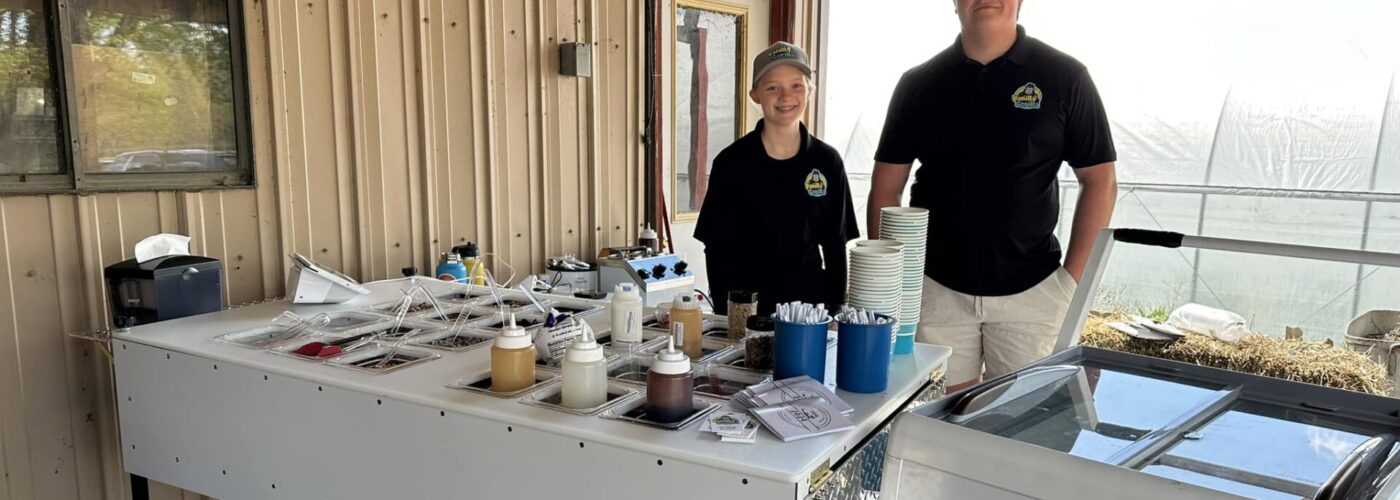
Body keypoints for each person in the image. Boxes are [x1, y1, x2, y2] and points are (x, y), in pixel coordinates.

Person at [867, 0, 1118, 391]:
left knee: (1023, 418)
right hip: (937, 291)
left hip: (1034, 293)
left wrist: (1073, 281)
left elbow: (1100, 179)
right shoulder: (918, 84)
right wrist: (895, 282)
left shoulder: (1065, 76)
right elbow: (886, 187)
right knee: (940, 418)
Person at [696, 42, 859, 315]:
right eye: (773, 87)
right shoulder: (731, 164)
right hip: (748, 314)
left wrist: (835, 311)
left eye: (796, 85)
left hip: (809, 315)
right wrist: (727, 317)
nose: (786, 96)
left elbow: (835, 244)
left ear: (810, 90)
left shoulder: (827, 162)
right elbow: (716, 249)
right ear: (755, 94)